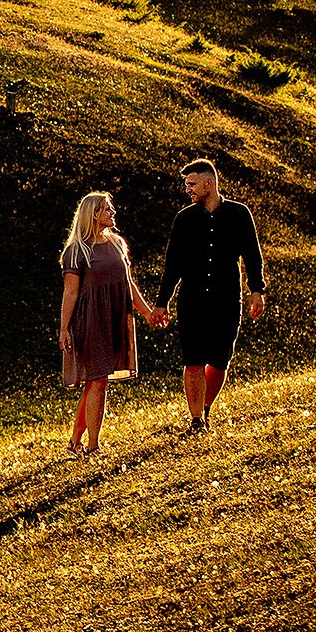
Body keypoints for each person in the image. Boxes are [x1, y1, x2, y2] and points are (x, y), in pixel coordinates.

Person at [156, 159, 266, 434]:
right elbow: (173, 264)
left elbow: (252, 254)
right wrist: (162, 301)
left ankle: (204, 409)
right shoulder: (184, 219)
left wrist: (257, 290)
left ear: (209, 183)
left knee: (219, 361)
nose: (188, 189)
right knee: (193, 359)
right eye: (186, 185)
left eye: (192, 184)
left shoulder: (239, 214)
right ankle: (196, 421)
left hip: (227, 299)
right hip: (192, 300)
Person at [59, 191, 166, 456]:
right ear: (93, 214)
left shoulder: (117, 244)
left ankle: (75, 441)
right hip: (90, 319)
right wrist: (64, 329)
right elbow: (70, 292)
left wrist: (147, 312)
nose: (112, 213)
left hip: (115, 318)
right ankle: (93, 446)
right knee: (97, 381)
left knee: (97, 381)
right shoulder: (76, 251)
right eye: (107, 209)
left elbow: (128, 284)